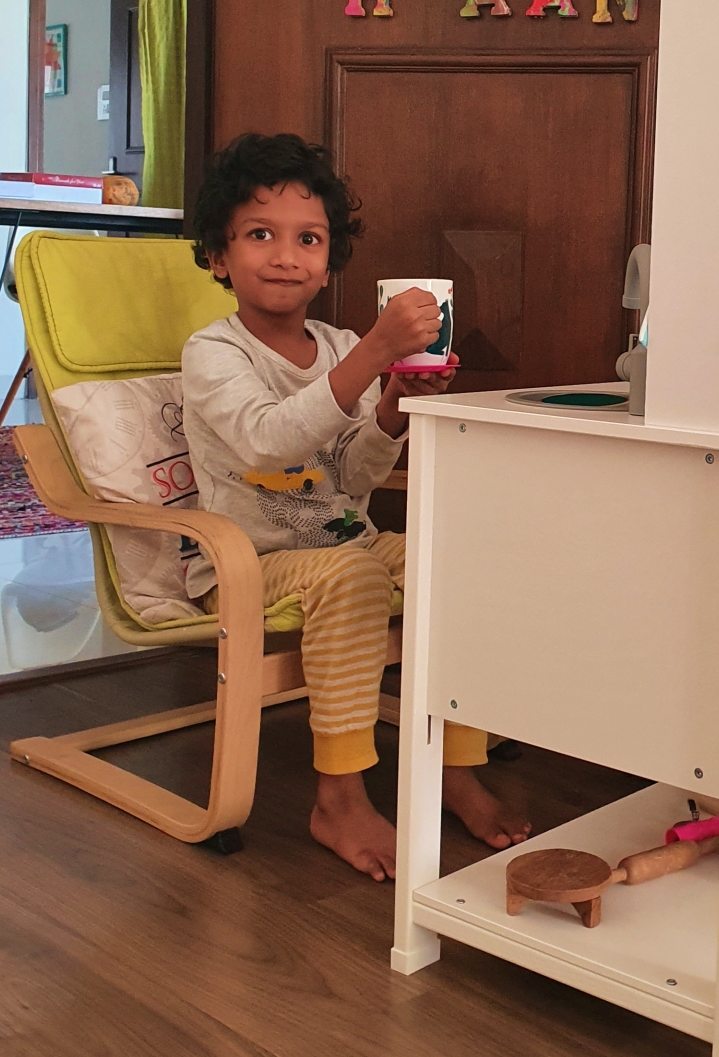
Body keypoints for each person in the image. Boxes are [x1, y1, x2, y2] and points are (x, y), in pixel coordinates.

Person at [180, 132, 531, 880]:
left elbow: (356, 474)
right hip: (250, 560)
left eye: (307, 239)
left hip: (345, 537)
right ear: (218, 255)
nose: (284, 255)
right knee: (355, 577)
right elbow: (268, 443)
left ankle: (456, 766)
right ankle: (337, 797)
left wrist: (395, 404)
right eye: (258, 235)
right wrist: (374, 356)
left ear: (330, 258)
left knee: (457, 560)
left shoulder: (339, 343)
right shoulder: (214, 352)